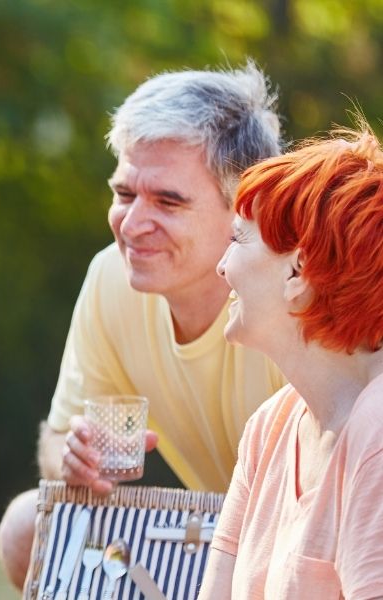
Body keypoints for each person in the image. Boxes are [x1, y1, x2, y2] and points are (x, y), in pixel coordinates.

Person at [0, 63, 287, 590]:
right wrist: (74, 460)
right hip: (219, 536)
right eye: (125, 194)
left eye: (168, 201)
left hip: (307, 542)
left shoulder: (295, 294)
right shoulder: (111, 278)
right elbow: (60, 437)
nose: (130, 226)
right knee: (26, 527)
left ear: (246, 205)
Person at [199, 126, 383, 599]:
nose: (221, 267)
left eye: (239, 239)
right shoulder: (270, 428)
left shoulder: (377, 434)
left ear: (298, 270)